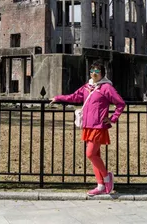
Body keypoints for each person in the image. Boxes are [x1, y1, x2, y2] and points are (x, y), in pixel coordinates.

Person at [49, 60, 125, 195]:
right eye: (92, 71)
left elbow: (120, 104)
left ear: (102, 73)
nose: (94, 74)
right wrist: (58, 97)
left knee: (90, 154)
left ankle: (107, 177)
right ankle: (100, 185)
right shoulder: (87, 87)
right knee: (95, 155)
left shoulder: (106, 88)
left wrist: (112, 118)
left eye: (97, 71)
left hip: (98, 126)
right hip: (87, 125)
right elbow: (74, 97)